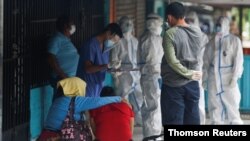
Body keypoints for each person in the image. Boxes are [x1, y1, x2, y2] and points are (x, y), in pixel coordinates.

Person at [38, 77, 124, 140]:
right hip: (58, 137)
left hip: (45, 136)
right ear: (77, 88)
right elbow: (97, 101)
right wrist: (119, 99)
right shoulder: (74, 100)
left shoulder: (58, 100)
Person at [161, 2, 203, 127]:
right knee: (192, 121)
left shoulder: (170, 34)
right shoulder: (197, 31)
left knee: (173, 123)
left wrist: (187, 73)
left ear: (169, 17)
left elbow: (172, 61)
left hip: (174, 85)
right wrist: (191, 75)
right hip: (193, 84)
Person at [203, 16, 244, 124]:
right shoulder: (211, 42)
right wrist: (204, 77)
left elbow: (238, 60)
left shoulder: (234, 41)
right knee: (215, 107)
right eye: (217, 25)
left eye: (220, 25)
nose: (218, 27)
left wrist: (235, 77)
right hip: (213, 78)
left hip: (228, 78)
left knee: (232, 106)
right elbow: (206, 61)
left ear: (226, 25)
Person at [109, 16, 143, 126]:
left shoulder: (135, 41)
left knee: (139, 97)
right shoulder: (118, 42)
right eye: (125, 23)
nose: (128, 25)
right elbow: (113, 60)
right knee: (123, 100)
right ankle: (124, 122)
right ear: (120, 25)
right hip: (123, 75)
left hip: (136, 74)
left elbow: (139, 58)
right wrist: (115, 76)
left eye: (130, 23)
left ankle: (138, 120)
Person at [77, 23, 123, 97]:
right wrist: (107, 65)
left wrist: (113, 70)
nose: (113, 43)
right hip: (86, 87)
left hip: (98, 88)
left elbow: (102, 68)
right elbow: (88, 69)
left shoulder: (106, 48)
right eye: (113, 40)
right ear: (108, 33)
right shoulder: (91, 44)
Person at [138, 13, 164, 140]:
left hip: (150, 76)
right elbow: (152, 61)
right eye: (159, 24)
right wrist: (158, 75)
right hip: (152, 76)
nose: (161, 26)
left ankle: (151, 134)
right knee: (153, 106)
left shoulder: (148, 37)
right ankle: (153, 135)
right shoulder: (151, 38)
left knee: (149, 105)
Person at [47, 15, 79, 100]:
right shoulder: (56, 39)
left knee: (67, 105)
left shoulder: (65, 39)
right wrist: (62, 75)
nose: (73, 26)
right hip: (62, 78)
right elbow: (50, 57)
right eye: (71, 24)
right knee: (61, 103)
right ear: (65, 26)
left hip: (68, 78)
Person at [185, 11, 209, 125]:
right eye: (188, 20)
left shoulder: (203, 37)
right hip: (184, 72)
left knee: (198, 100)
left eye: (192, 21)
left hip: (197, 71)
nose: (190, 23)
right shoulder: (182, 35)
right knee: (185, 100)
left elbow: (205, 56)